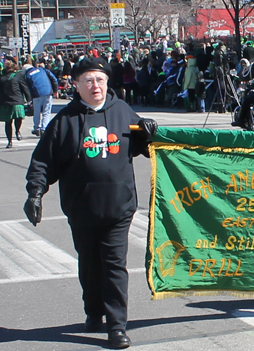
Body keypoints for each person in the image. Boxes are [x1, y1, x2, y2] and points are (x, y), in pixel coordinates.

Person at [23, 57, 158, 348]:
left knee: (113, 266)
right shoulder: (64, 120)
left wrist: (149, 134)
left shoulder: (122, 111)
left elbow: (147, 151)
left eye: (99, 79)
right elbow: (43, 162)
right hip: (81, 207)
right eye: (87, 80)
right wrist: (35, 193)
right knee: (89, 265)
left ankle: (117, 326)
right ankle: (93, 311)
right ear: (76, 84)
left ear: (107, 83)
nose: (94, 85)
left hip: (118, 206)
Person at [0, 57, 31, 148]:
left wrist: (29, 99)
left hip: (16, 99)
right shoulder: (1, 75)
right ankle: (9, 141)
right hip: (5, 100)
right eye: (4, 61)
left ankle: (17, 130)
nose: (5, 62)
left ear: (12, 63)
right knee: (8, 122)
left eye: (7, 61)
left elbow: (24, 87)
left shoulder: (18, 74)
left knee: (19, 117)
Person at [23, 59, 58, 137]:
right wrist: (55, 90)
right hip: (48, 92)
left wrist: (30, 99)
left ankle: (37, 128)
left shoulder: (28, 75)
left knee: (37, 112)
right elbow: (53, 79)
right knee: (46, 111)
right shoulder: (43, 70)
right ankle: (44, 128)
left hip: (37, 95)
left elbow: (28, 88)